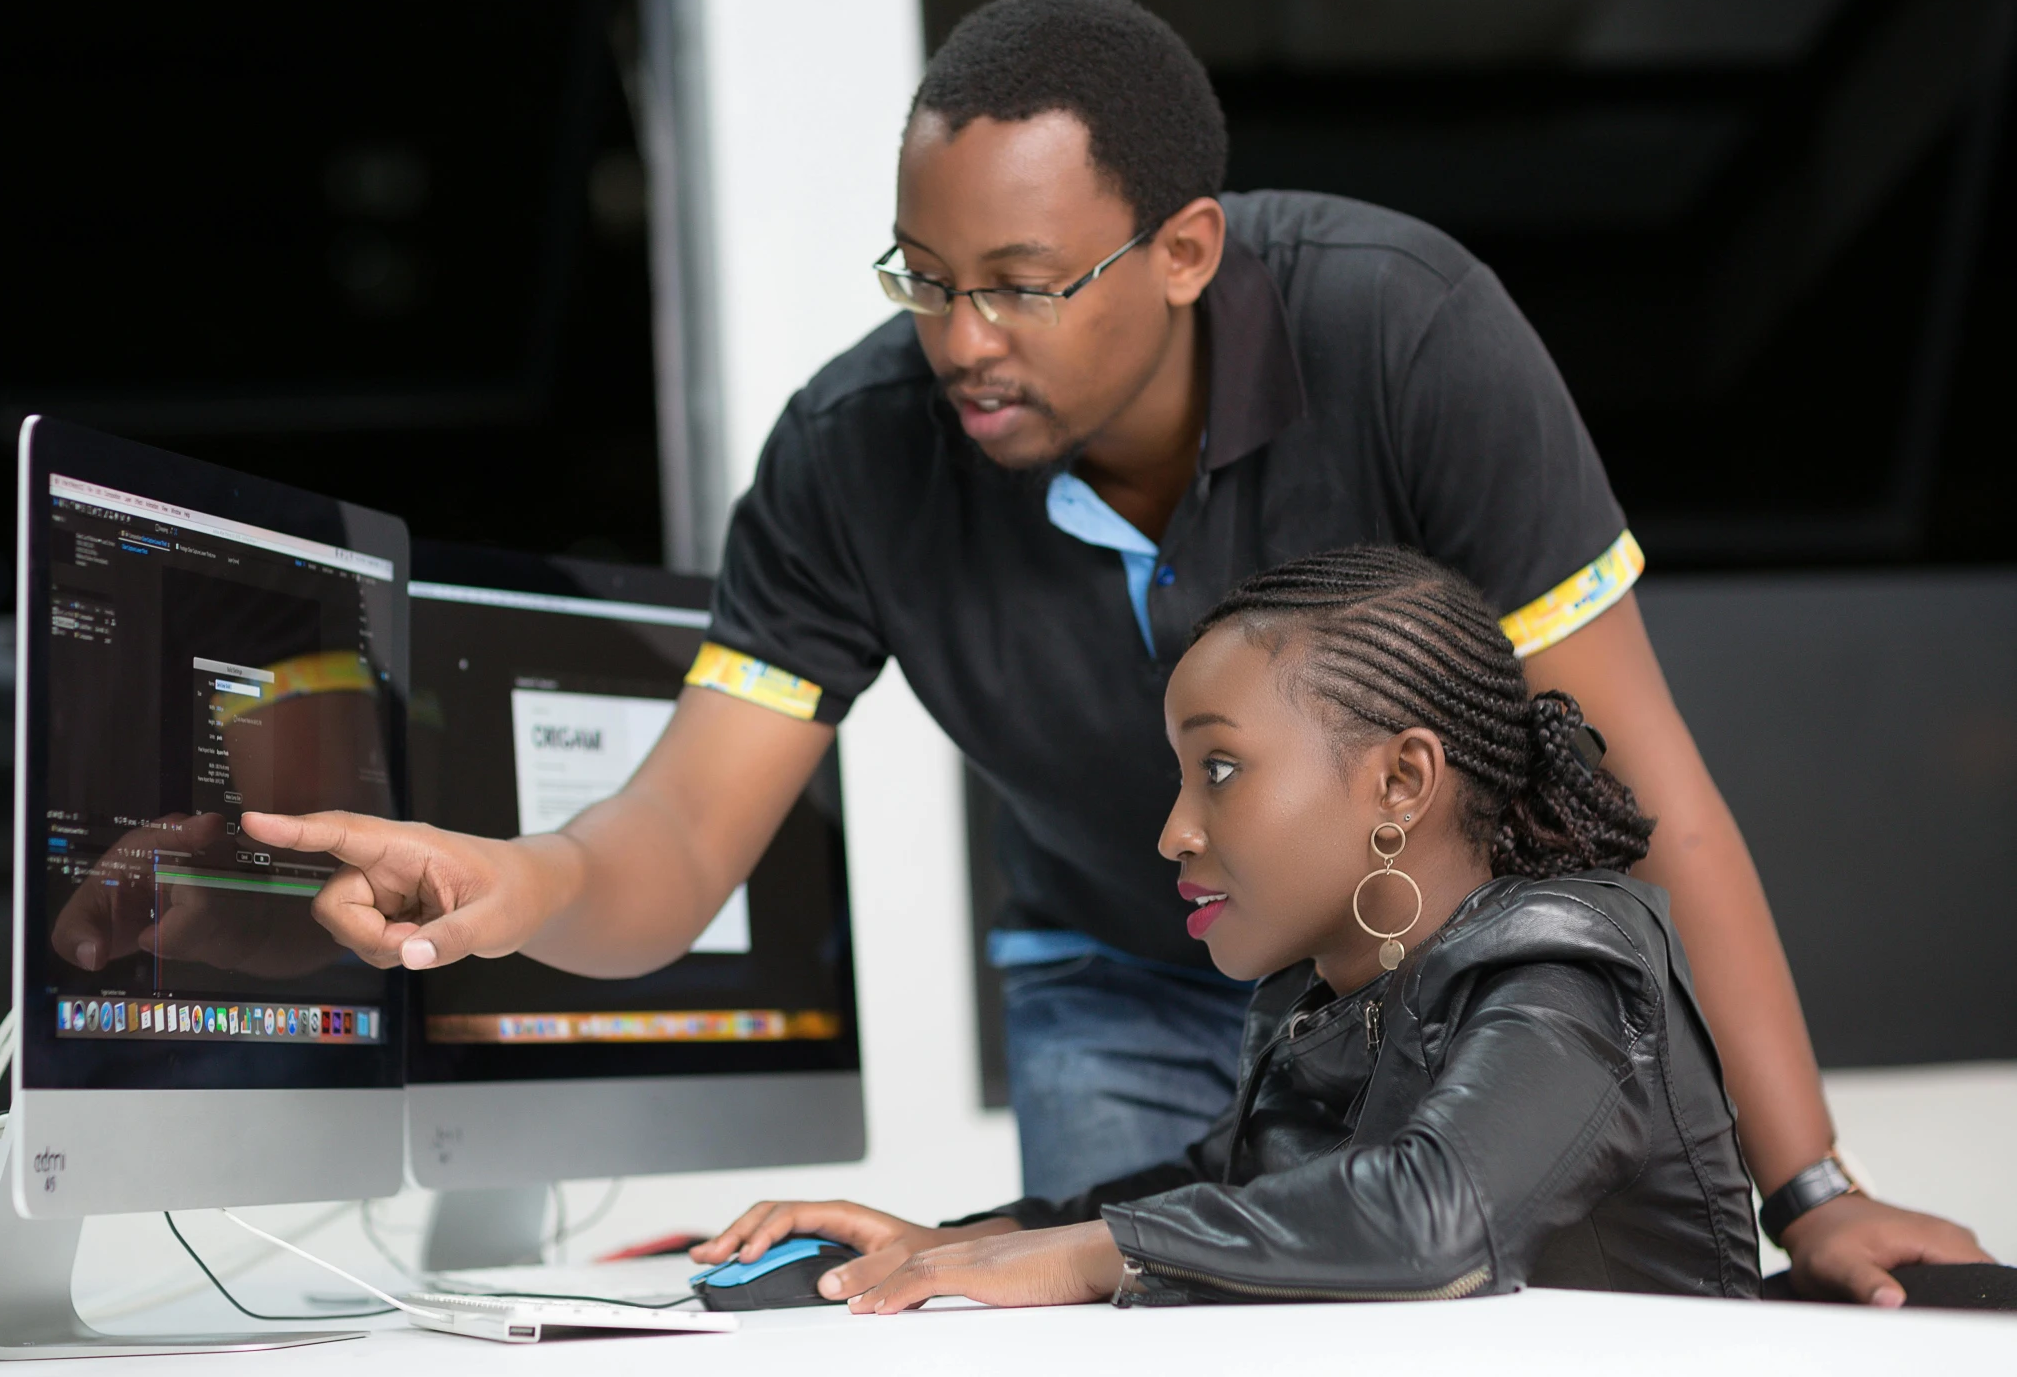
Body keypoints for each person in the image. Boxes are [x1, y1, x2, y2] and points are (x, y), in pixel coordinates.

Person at [245, 0, 1986, 1302]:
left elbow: (1643, 792)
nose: (960, 340)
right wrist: (516, 886)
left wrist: (1810, 1187)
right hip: (1107, 960)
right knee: (1140, 1309)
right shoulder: (852, 457)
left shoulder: (1405, 334)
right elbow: (684, 838)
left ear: (1185, 251)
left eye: (1020, 281)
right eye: (922, 277)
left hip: (1410, 972)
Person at [690, 546, 1764, 1309]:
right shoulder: (1329, 1003)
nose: (1171, 832)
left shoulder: (1569, 962)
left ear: (1401, 779)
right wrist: (967, 1239)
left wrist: (1082, 1256)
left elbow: (1438, 1213)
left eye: (1218, 769)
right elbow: (1230, 1189)